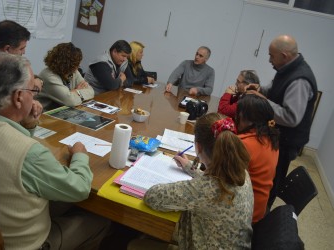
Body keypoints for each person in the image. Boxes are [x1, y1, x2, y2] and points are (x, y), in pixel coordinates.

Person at [0, 52, 110, 249]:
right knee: (101, 219)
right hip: (22, 244)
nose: (35, 96)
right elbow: (80, 188)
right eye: (33, 90)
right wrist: (80, 155)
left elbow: (6, 151)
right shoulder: (30, 153)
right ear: (19, 97)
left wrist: (27, 126)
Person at [130, 113, 253, 249]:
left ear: (198, 147)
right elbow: (214, 185)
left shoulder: (204, 189)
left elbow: (151, 196)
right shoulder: (240, 172)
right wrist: (190, 168)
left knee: (135, 245)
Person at [247, 35, 318, 208]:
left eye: (272, 55)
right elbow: (275, 89)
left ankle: (258, 222)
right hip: (276, 136)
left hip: (285, 143)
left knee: (269, 184)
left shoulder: (300, 80)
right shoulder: (286, 69)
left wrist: (262, 101)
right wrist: (260, 89)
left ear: (284, 55)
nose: (269, 59)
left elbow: (290, 117)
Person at [235, 94, 280, 223]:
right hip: (258, 208)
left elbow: (218, 179)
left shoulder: (244, 144)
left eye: (239, 114)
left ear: (246, 119)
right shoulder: (271, 139)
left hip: (244, 212)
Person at [38, 42, 94, 111]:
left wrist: (73, 93)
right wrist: (77, 92)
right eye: (75, 65)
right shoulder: (49, 76)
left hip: (62, 111)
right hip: (44, 115)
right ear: (67, 65)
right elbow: (70, 101)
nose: (77, 68)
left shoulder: (73, 71)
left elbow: (91, 91)